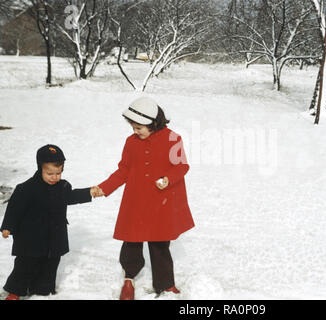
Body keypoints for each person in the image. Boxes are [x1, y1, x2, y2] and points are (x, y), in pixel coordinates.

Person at [95, 96, 194, 300]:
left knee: (159, 244)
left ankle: (166, 284)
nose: (135, 131)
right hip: (136, 200)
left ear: (153, 122)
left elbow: (182, 166)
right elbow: (123, 170)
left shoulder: (173, 139)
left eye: (139, 127)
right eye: (133, 127)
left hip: (161, 202)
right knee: (131, 241)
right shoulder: (131, 143)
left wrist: (168, 179)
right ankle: (129, 280)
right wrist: (104, 188)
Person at [0, 144, 100, 300]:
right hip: (30, 238)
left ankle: (42, 290)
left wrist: (89, 192)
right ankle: (15, 291)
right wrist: (7, 227)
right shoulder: (26, 188)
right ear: (40, 168)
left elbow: (71, 197)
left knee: (50, 265)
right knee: (25, 265)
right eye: (50, 173)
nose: (54, 177)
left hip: (54, 237)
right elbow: (14, 209)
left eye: (58, 173)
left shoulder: (63, 187)